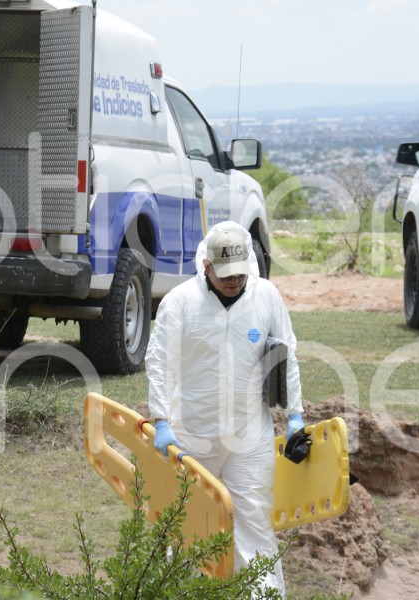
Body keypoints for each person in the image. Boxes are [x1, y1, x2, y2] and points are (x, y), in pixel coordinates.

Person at [146, 221, 304, 595]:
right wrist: (161, 421)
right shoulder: (181, 302)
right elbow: (159, 362)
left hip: (250, 437)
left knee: (255, 530)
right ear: (207, 266)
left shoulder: (266, 296)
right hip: (192, 436)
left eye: (240, 273)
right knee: (187, 527)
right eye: (226, 275)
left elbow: (288, 355)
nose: (235, 281)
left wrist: (295, 416)